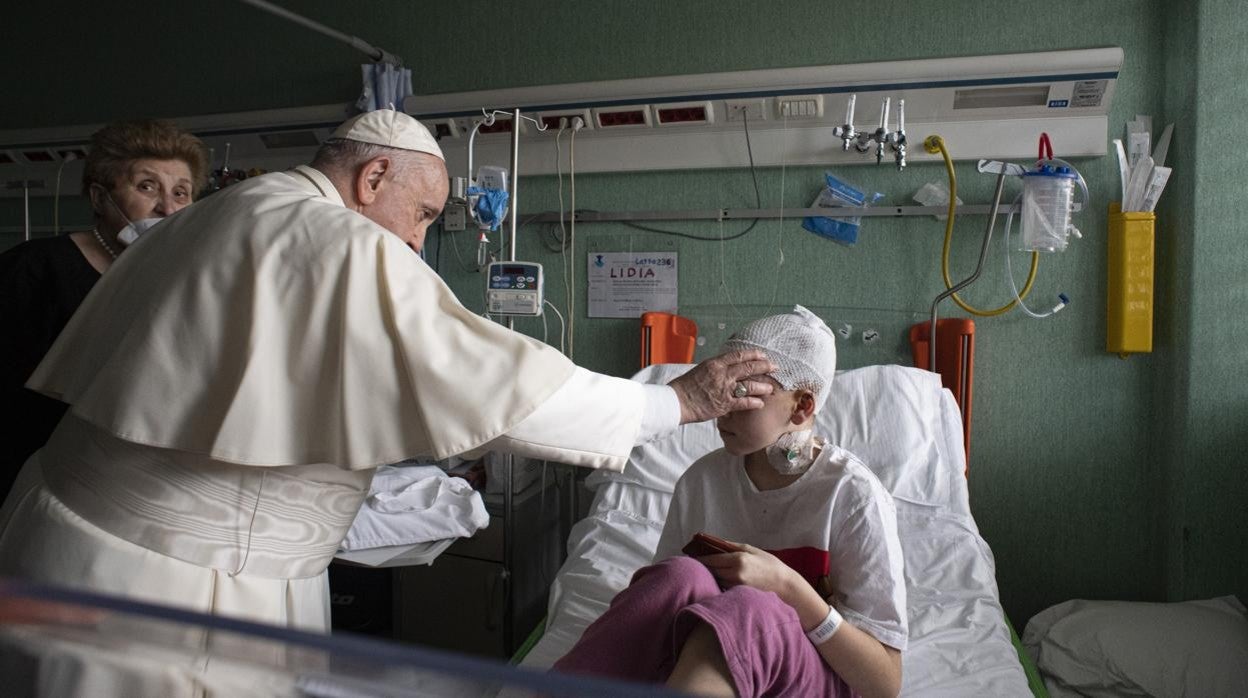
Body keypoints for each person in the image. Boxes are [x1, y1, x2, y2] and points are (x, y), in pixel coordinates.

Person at [0, 109, 775, 633]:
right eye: (423, 214)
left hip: (75, 541)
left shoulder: (223, 211)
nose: (413, 241)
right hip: (159, 587)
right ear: (372, 180)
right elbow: (497, 383)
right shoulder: (335, 237)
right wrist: (676, 401)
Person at [552, 306, 908, 698]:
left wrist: (790, 590)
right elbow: (665, 615)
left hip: (811, 672)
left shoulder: (853, 496)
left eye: (742, 393)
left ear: (802, 406)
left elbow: (884, 683)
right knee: (676, 577)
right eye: (722, 387)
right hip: (711, 656)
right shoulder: (702, 481)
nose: (721, 408)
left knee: (749, 608)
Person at [0, 119, 208, 502]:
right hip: (30, 475)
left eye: (181, 192)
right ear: (99, 198)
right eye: (147, 187)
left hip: (121, 484)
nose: (167, 207)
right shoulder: (33, 270)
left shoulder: (183, 282)